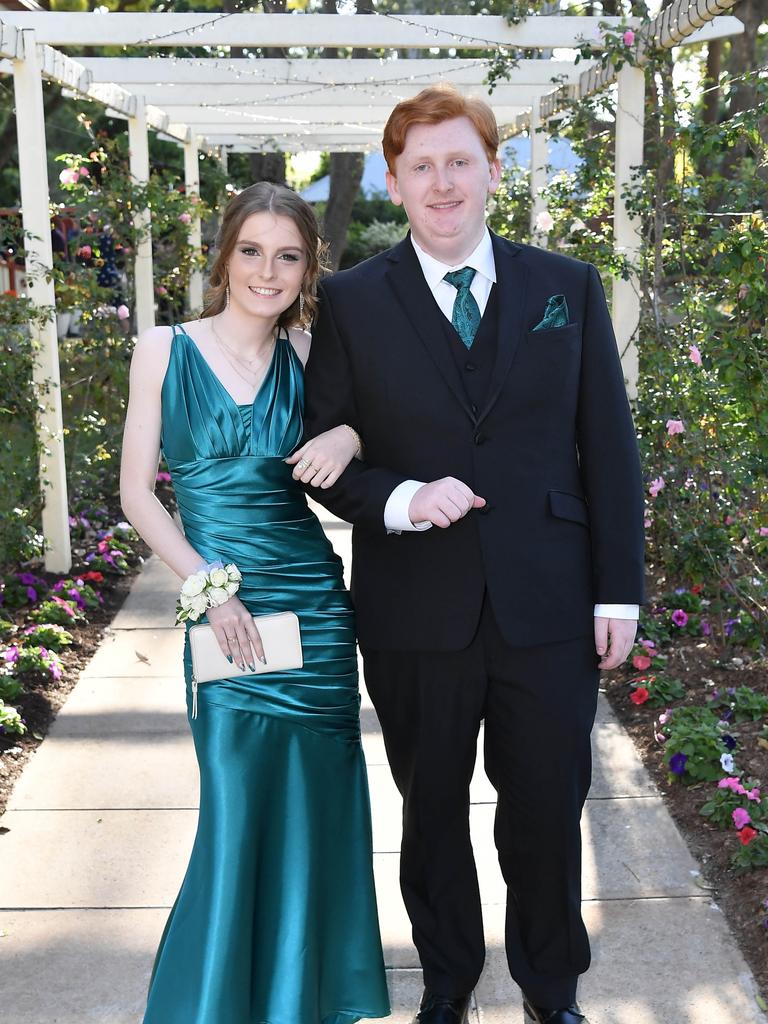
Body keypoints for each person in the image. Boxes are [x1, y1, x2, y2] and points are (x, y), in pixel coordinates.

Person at [298, 85, 645, 1024]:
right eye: (421, 167)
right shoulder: (350, 300)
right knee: (431, 813)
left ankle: (550, 989)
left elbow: (607, 448)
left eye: (460, 161)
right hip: (416, 609)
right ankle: (447, 983)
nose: (443, 182)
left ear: (493, 169)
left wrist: (621, 593)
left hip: (550, 607)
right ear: (395, 181)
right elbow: (321, 458)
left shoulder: (563, 287)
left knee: (545, 811)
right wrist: (402, 499)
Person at [120, 182, 390, 1024]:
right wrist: (207, 592)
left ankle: (303, 1000)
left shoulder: (312, 354)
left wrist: (347, 433)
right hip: (225, 610)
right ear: (223, 254)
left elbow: (384, 433)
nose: (267, 272)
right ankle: (216, 1004)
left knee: (314, 807)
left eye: (288, 255)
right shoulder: (163, 349)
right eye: (252, 251)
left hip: (310, 603)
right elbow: (137, 495)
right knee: (235, 807)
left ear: (308, 268)